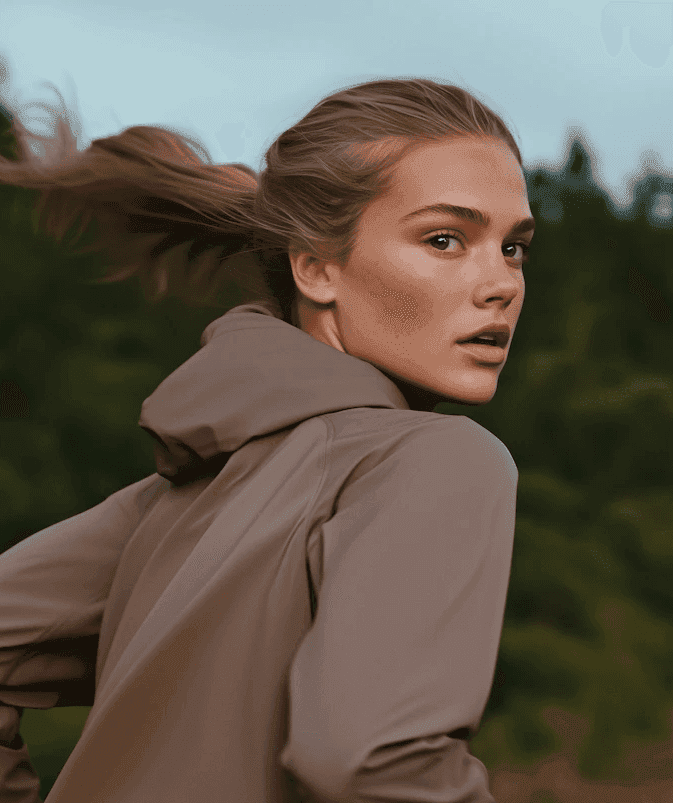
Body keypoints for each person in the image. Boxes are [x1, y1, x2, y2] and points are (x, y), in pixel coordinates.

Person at [0, 74, 532, 802]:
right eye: (445, 239)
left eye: (513, 247)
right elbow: (367, 760)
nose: (500, 282)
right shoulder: (438, 459)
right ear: (315, 266)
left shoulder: (174, 500)